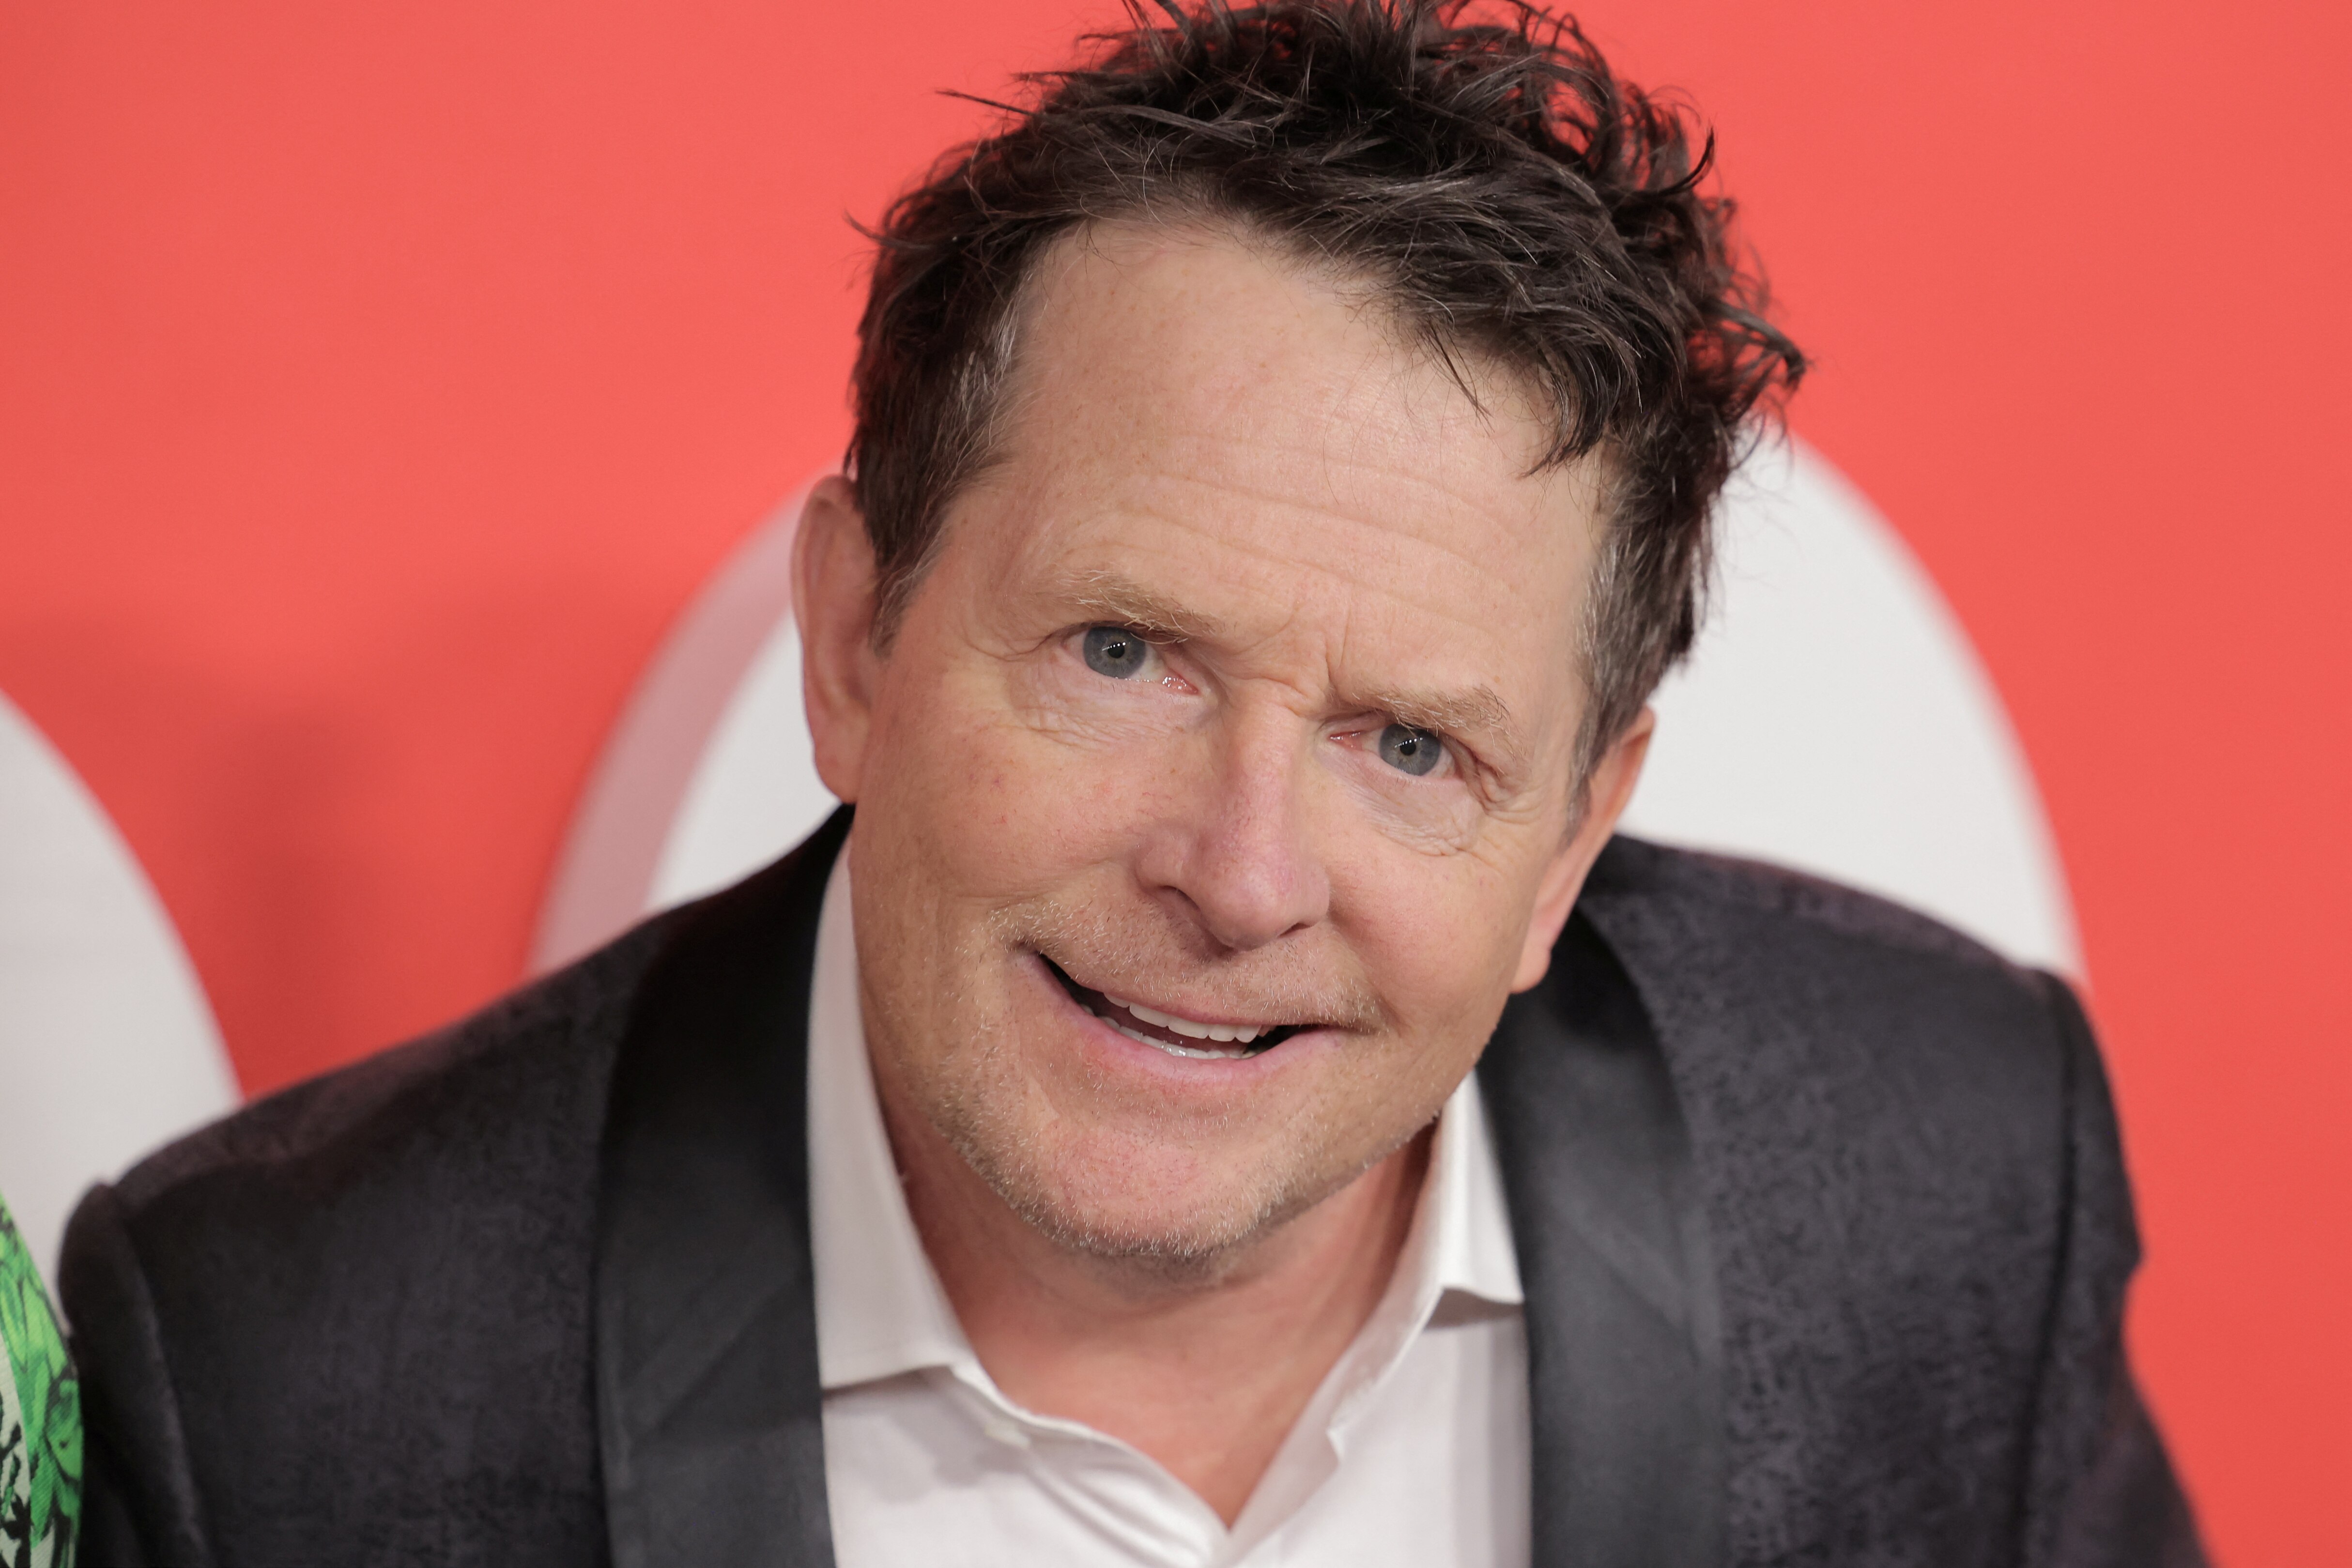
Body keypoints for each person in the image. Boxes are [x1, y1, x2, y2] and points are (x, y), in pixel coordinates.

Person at [61, 2, 2204, 1564]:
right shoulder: (287, 1381)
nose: (1245, 874)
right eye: (1124, 654)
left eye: (1413, 745)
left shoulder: (1940, 1191)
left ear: (1574, 835)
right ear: (856, 642)